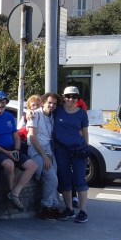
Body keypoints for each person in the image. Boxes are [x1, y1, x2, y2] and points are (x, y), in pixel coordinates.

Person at [0, 91, 37, 212]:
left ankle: (15, 193)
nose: (0, 105)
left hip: (12, 149)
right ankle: (11, 192)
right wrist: (7, 153)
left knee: (32, 166)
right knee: (9, 165)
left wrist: (16, 149)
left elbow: (15, 135)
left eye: (3, 102)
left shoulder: (9, 117)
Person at [54, 86, 90, 223]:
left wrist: (86, 149)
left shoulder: (82, 114)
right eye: (68, 96)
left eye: (74, 97)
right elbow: (41, 110)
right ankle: (69, 209)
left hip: (78, 150)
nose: (71, 99)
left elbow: (85, 133)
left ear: (78, 99)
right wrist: (29, 114)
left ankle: (83, 211)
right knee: (65, 179)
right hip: (61, 150)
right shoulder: (57, 110)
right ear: (63, 97)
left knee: (80, 180)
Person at [26, 93, 62, 220]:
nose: (52, 106)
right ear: (43, 103)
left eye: (54, 104)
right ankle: (46, 208)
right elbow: (32, 137)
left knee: (54, 179)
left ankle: (53, 206)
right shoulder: (35, 115)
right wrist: (44, 156)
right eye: (49, 103)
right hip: (37, 151)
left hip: (49, 150)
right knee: (52, 179)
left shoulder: (52, 116)